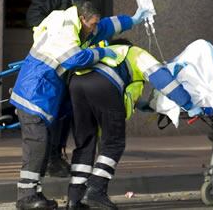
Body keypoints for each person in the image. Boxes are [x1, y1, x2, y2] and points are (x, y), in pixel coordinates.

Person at [12, 0, 150, 210]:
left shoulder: (80, 27)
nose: (94, 29)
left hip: (41, 92)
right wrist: (101, 53)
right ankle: (26, 197)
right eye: (91, 24)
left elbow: (105, 26)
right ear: (82, 19)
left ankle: (34, 194)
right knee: (36, 143)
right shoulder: (65, 26)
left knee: (42, 143)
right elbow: (74, 59)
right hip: (34, 92)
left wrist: (133, 19)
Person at [66, 39, 193, 209]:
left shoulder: (106, 53)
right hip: (103, 86)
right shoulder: (134, 52)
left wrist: (142, 104)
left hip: (77, 84)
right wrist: (187, 103)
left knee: (85, 144)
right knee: (113, 143)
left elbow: (128, 89)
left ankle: (75, 198)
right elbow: (162, 78)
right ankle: (96, 189)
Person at [26, 0, 91, 177]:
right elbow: (33, 18)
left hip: (67, 62)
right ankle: (50, 159)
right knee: (54, 112)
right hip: (53, 63)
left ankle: (55, 155)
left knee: (64, 112)